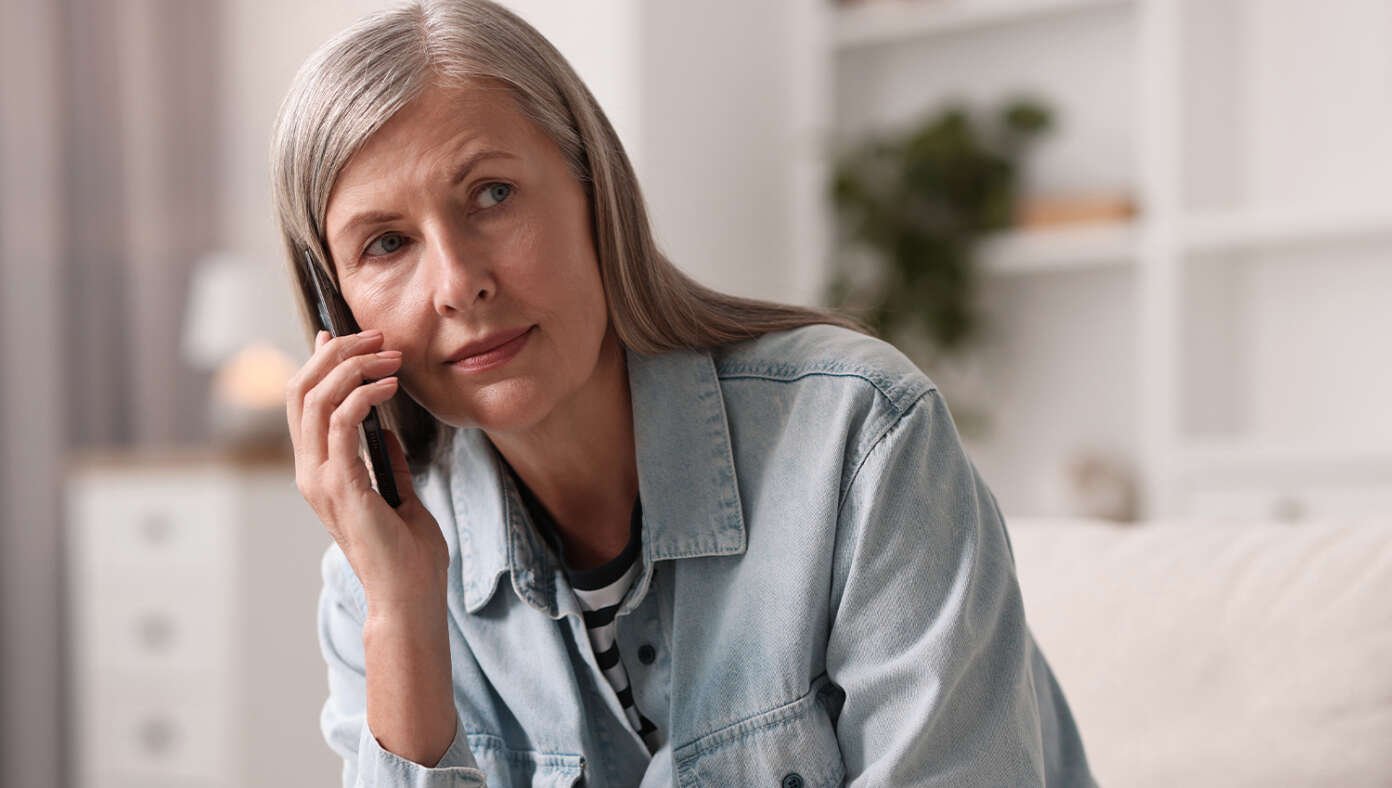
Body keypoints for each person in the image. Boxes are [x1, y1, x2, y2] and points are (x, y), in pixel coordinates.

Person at [274, 1, 1095, 785]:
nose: (458, 284)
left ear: (596, 191)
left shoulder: (859, 438)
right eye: (386, 244)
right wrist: (403, 614)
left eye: (492, 194)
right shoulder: (375, 583)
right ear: (337, 310)